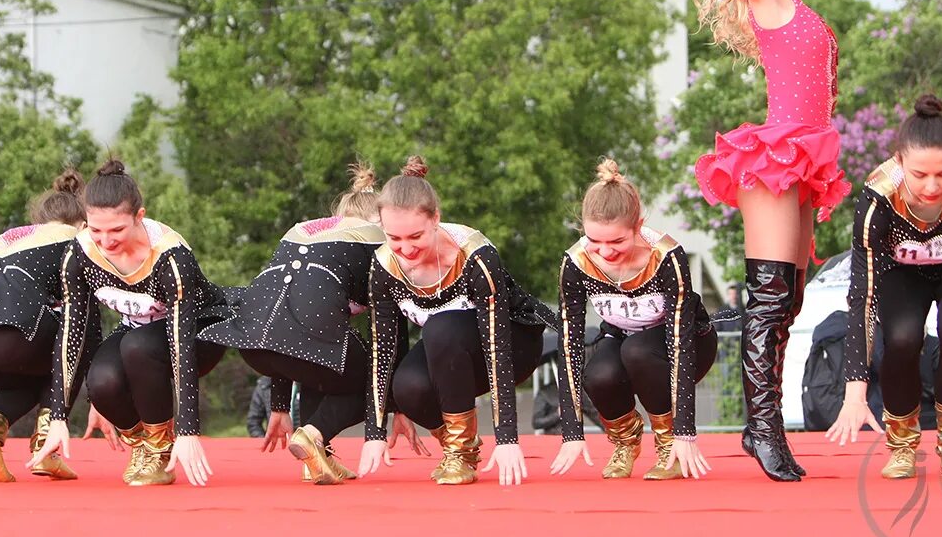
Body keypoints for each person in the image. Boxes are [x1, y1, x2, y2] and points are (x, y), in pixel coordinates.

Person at [669, 0, 850, 481]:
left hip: (805, 159)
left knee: (789, 300)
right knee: (770, 298)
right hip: (775, 159)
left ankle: (761, 423)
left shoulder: (792, 1)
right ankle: (763, 429)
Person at [201, 161, 426, 484]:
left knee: (319, 357)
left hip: (251, 341)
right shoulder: (376, 244)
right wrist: (398, 403)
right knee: (372, 375)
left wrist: (279, 406)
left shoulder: (309, 232)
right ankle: (314, 434)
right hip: (295, 332)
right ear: (380, 221)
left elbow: (280, 325)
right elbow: (390, 335)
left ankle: (317, 458)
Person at [827, 95, 942, 479]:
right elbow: (862, 296)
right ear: (899, 162)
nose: (932, 186)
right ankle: (901, 445)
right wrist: (854, 390)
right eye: (920, 175)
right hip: (901, 273)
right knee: (902, 336)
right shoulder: (878, 197)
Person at [29, 159, 232, 486]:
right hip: (137, 332)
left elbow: (180, 342)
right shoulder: (80, 254)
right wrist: (57, 417)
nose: (106, 241)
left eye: (117, 230)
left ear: (139, 216)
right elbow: (72, 332)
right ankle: (145, 445)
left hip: (199, 332)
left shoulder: (169, 256)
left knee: (137, 347)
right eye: (96, 230)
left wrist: (188, 430)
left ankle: (161, 448)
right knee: (102, 381)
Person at [358, 156, 555, 486]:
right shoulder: (384, 267)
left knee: (440, 327)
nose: (405, 249)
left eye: (415, 236)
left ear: (436, 218)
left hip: (513, 345)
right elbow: (383, 349)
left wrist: (507, 437)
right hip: (449, 357)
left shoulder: (475, 256)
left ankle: (460, 451)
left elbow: (497, 345)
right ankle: (462, 447)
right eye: (394, 238)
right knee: (407, 387)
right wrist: (373, 432)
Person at [549, 159, 716, 481]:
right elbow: (569, 343)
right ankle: (625, 441)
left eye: (617, 242)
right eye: (595, 241)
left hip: (687, 345)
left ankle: (668, 445)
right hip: (623, 339)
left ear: (638, 226)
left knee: (637, 350)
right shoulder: (576, 262)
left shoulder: (666, 256)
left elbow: (680, 342)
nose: (605, 252)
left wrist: (684, 433)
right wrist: (571, 431)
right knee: (598, 375)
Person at [0, 169, 105, 482]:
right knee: (69, 336)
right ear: (84, 223)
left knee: (31, 367)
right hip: (11, 339)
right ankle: (46, 444)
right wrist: (96, 398)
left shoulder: (10, 236)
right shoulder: (78, 240)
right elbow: (85, 323)